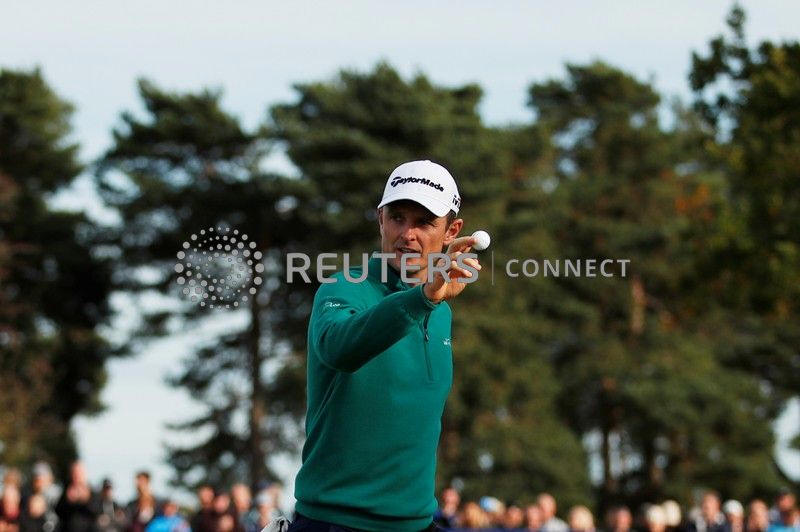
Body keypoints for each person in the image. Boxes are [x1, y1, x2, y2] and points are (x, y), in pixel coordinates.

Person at [289, 160, 478, 532]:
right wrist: (423, 297)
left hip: (416, 523)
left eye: (424, 222)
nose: (407, 234)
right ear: (380, 219)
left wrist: (427, 298)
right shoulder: (344, 287)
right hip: (336, 522)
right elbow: (340, 348)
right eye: (397, 217)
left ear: (451, 231)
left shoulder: (440, 310)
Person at [55, 461, 97, 532]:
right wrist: (68, 501)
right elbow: (58, 511)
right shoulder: (66, 490)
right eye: (74, 473)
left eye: (79, 473)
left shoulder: (91, 492)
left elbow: (97, 511)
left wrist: (86, 500)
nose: (76, 476)